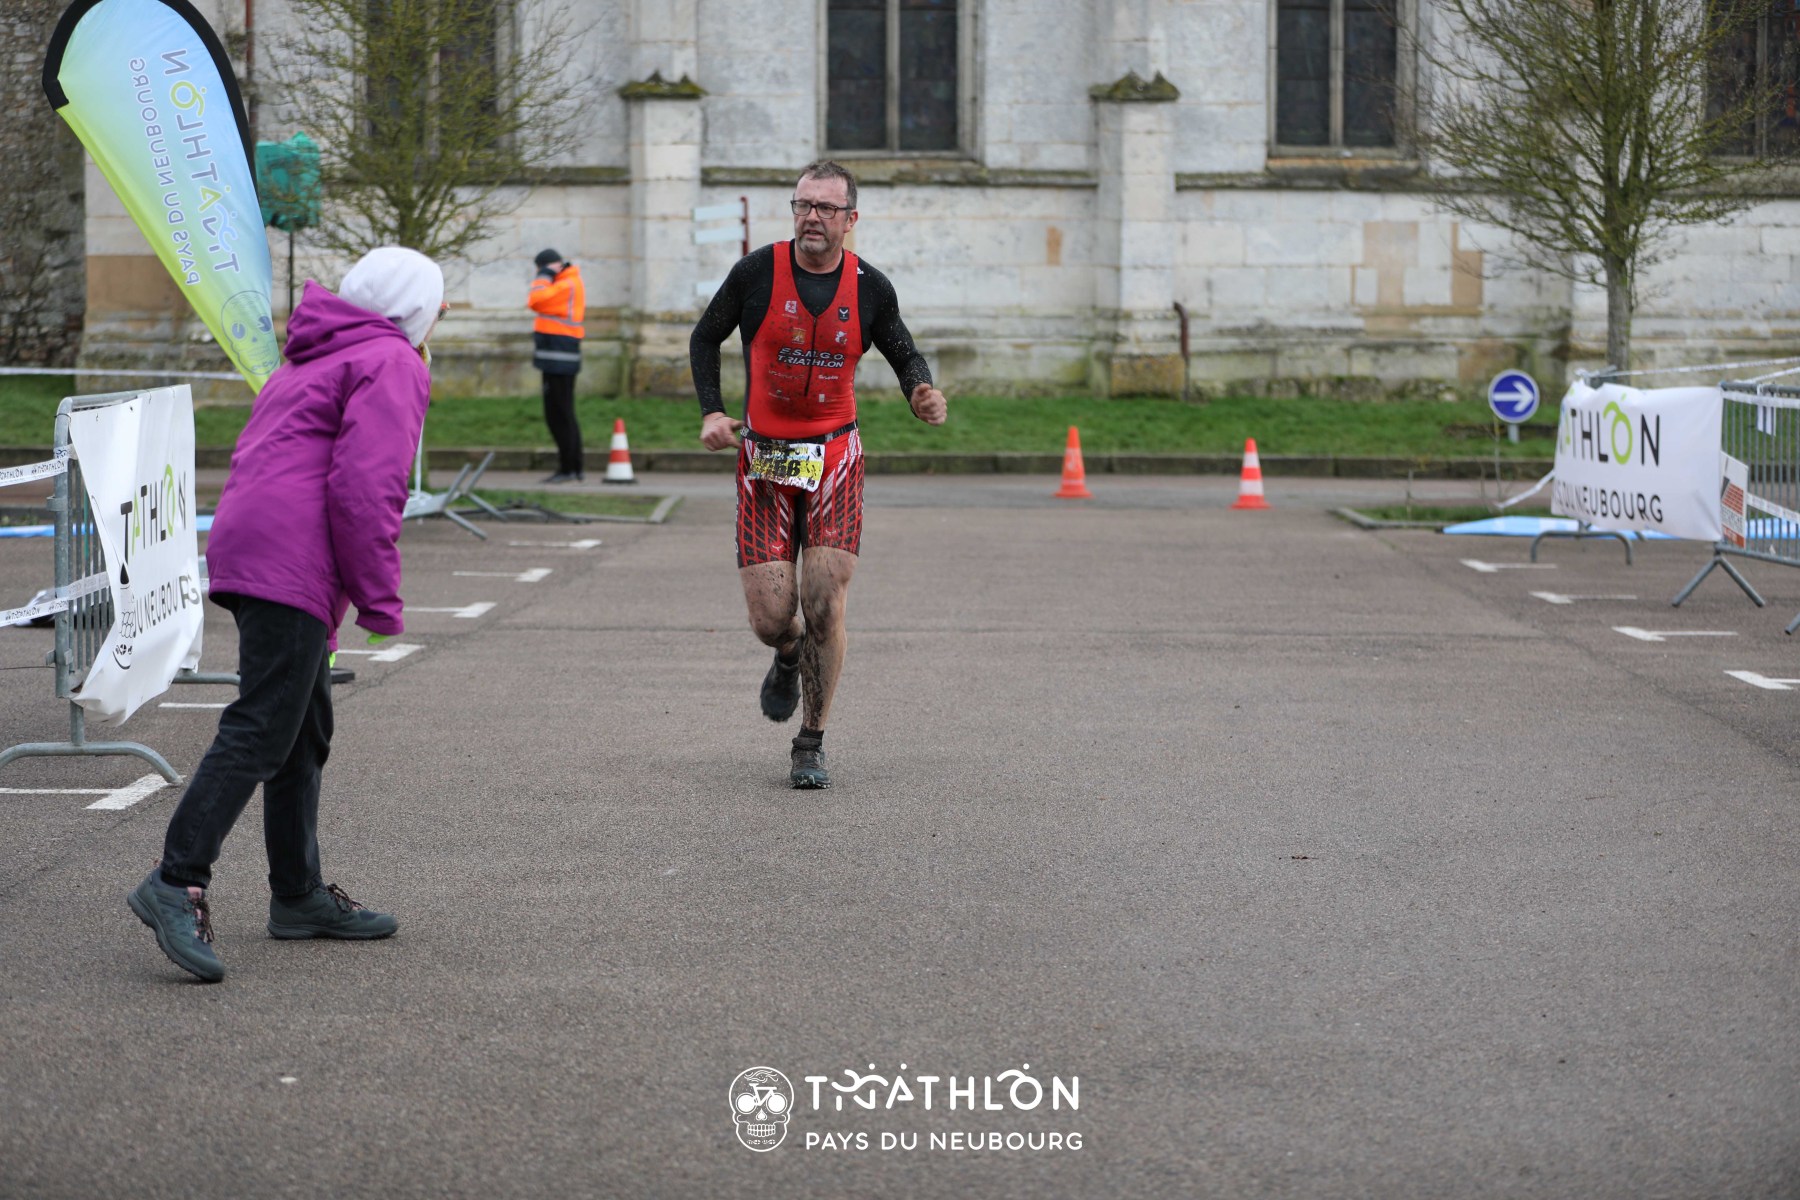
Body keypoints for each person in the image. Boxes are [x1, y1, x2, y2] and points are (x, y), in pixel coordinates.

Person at [126, 246, 444, 983]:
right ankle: (175, 881)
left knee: (303, 729)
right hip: (294, 557)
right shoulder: (391, 360)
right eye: (438, 299)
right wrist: (380, 598)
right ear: (411, 308)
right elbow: (367, 487)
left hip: (256, 543)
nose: (445, 311)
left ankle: (298, 895)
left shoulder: (313, 352)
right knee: (264, 726)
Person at [690, 161, 947, 789]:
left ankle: (811, 742)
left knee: (825, 605)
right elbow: (705, 338)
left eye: (825, 208)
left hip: (834, 458)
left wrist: (920, 390)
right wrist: (713, 412)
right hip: (765, 460)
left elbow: (903, 351)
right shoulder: (756, 273)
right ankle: (786, 653)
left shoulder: (869, 287)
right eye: (803, 205)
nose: (811, 217)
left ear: (849, 219)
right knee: (772, 619)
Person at [528, 248, 586, 482]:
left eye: (539, 268)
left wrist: (544, 275)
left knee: (559, 415)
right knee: (562, 414)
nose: (538, 273)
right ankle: (573, 468)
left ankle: (568, 469)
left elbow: (535, 300)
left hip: (559, 359)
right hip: (557, 358)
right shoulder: (565, 283)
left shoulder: (566, 284)